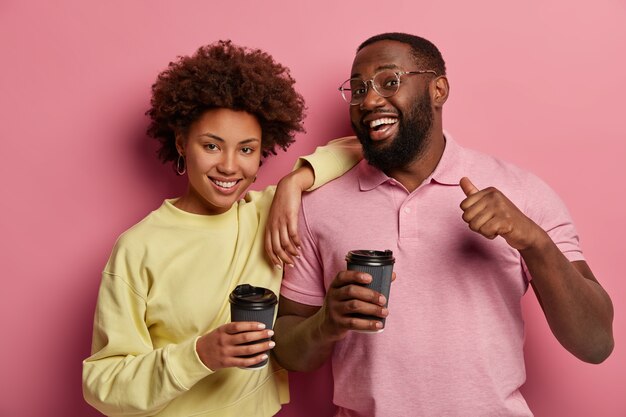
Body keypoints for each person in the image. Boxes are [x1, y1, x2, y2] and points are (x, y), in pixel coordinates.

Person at [270, 32, 614, 417]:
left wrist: (533, 242)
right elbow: (288, 348)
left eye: (389, 81)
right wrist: (326, 323)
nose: (368, 100)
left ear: (438, 89)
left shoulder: (522, 191)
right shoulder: (319, 204)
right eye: (358, 88)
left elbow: (596, 342)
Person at [82, 40, 361, 417]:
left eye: (247, 150)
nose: (229, 167)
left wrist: (296, 181)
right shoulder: (138, 247)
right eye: (212, 146)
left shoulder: (266, 214)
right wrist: (198, 355)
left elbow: (359, 146)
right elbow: (103, 383)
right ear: (182, 143)